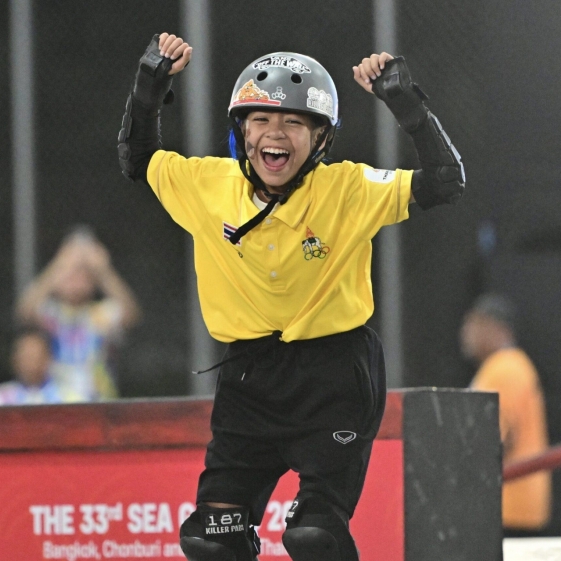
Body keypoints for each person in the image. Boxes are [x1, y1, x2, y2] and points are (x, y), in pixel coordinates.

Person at [117, 33, 464, 561]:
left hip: (335, 376)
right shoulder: (208, 185)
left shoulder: (347, 188)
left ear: (321, 139)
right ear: (241, 131)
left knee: (315, 535)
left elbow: (445, 180)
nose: (274, 133)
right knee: (211, 538)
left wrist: (406, 105)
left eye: (294, 122)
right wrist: (149, 86)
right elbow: (137, 158)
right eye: (260, 119)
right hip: (248, 378)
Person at [460, 293, 551, 533]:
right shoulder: (510, 365)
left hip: (507, 505)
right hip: (512, 504)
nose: (466, 332)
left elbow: (493, 438)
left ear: (495, 328)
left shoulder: (504, 368)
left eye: (474, 324)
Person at [17, 227, 140, 401]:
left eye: (83, 275)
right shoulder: (52, 314)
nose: (76, 280)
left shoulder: (101, 314)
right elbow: (25, 311)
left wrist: (103, 270)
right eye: (71, 275)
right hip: (57, 402)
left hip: (99, 403)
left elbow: (131, 314)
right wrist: (59, 265)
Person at [0, 329, 78, 406]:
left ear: (48, 359)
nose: (30, 363)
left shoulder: (69, 399)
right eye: (26, 356)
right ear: (14, 359)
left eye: (35, 356)